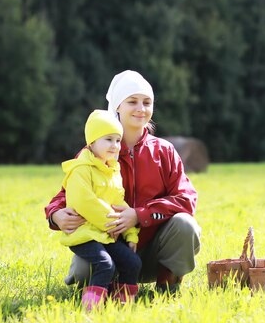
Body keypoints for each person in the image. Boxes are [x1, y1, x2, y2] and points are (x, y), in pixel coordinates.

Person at [46, 70, 201, 295]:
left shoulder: (165, 151)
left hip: (155, 253)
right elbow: (67, 193)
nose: (141, 108)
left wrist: (139, 215)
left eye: (147, 102)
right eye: (132, 101)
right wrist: (55, 215)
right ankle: (106, 285)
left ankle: (168, 285)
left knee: (186, 224)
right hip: (108, 248)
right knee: (83, 272)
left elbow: (186, 200)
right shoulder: (93, 152)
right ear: (118, 106)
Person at [59, 109, 142, 310]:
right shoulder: (81, 169)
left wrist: (130, 232)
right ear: (92, 143)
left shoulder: (113, 170)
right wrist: (112, 223)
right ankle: (91, 309)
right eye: (108, 140)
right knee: (105, 265)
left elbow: (119, 202)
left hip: (105, 232)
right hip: (85, 233)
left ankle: (121, 305)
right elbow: (84, 202)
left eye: (117, 140)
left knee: (133, 262)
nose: (115, 146)